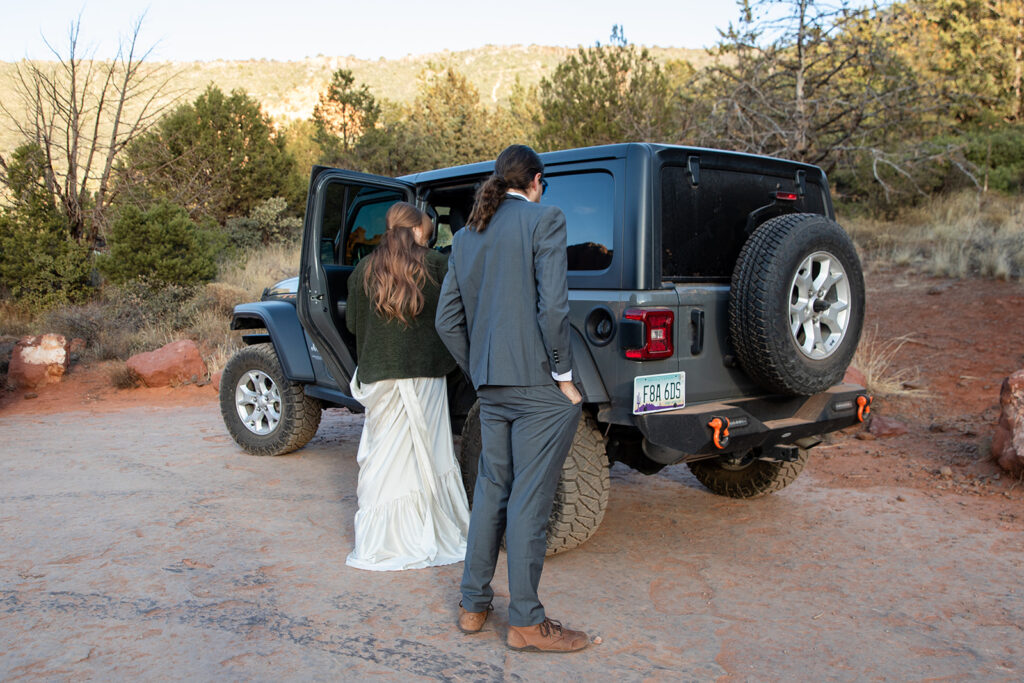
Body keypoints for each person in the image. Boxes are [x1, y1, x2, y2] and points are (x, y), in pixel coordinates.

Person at [435, 144, 589, 652]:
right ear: (536, 181)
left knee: (491, 488)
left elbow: (446, 321)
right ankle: (524, 620)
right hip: (537, 386)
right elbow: (554, 309)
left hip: (492, 387)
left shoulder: (465, 237)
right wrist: (565, 378)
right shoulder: (545, 219)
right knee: (529, 497)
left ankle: (473, 605)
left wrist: (479, 369)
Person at [344, 201, 470, 571]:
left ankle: (381, 539)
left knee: (384, 459)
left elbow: (352, 323)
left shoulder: (362, 271)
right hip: (426, 375)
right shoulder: (437, 265)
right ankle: (429, 527)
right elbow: (455, 315)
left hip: (381, 377)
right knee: (428, 453)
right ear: (417, 230)